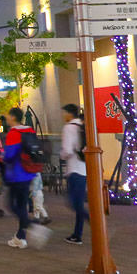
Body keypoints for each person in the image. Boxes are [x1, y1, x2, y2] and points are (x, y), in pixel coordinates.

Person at [3, 107, 36, 249]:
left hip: (16, 174)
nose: (7, 119)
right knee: (23, 205)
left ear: (13, 117)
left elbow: (9, 156)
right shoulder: (30, 131)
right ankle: (20, 238)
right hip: (29, 172)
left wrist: (1, 156)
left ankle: (30, 226)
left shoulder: (14, 133)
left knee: (12, 205)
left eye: (8, 116)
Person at [60, 103, 89, 245]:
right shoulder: (83, 126)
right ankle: (77, 234)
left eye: (64, 113)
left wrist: (62, 155)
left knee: (73, 203)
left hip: (74, 169)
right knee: (78, 203)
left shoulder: (68, 128)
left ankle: (94, 222)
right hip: (84, 169)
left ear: (69, 113)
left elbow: (67, 151)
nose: (63, 116)